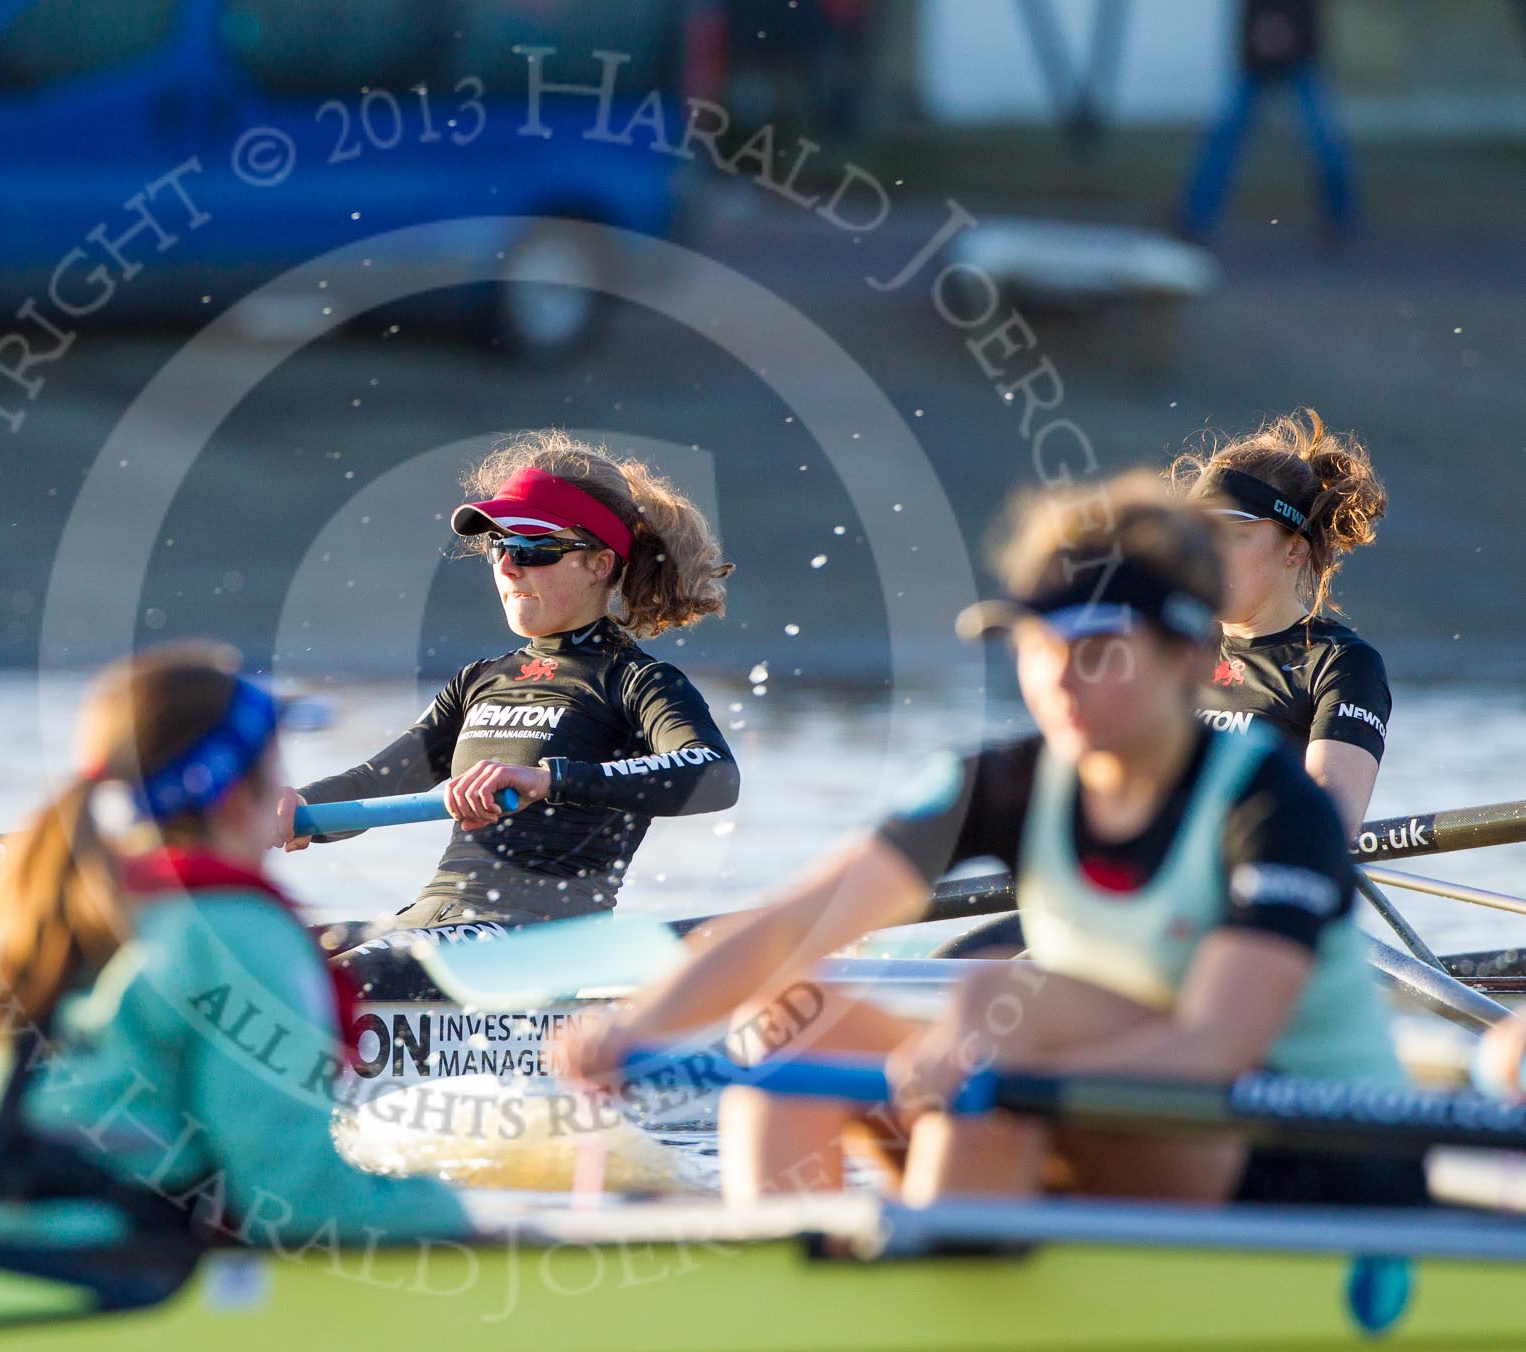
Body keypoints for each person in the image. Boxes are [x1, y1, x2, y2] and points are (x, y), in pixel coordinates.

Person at [560, 474, 1418, 1210]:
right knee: (788, 1021)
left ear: (1190, 657)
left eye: (1098, 647)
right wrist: (640, 1026)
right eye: (1039, 643)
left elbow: (1216, 1046)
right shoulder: (1005, 782)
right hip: (1093, 1115)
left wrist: (990, 1065)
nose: (1057, 679)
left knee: (996, 1007)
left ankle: (946, 1259)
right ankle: (796, 1276)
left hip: (1312, 1167)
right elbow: (795, 921)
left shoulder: (1269, 802)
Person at [0, 642, 464, 1286]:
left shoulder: (24, 904)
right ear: (236, 797)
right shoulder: (236, 932)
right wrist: (452, 1210)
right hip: (82, 1266)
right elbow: (295, 1201)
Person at [284, 431, 739, 931]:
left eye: (531, 549)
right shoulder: (477, 681)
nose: (506, 565)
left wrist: (550, 780)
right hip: (433, 920)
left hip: (536, 938)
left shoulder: (636, 682)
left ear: (599, 563)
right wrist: (291, 805)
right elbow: (374, 784)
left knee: (330, 985)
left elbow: (715, 775)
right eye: (499, 545)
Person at [1174, 408, 1389, 834]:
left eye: (1232, 534)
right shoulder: (1171, 643)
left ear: (1294, 551)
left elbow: (1330, 823)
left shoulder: (1341, 664)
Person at [1175, 0, 1357, 244]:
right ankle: (1194, 218)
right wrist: (1261, 35)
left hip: (1300, 56)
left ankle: (1342, 221)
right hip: (1257, 59)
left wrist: (1288, 32)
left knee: (1325, 143)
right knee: (1224, 138)